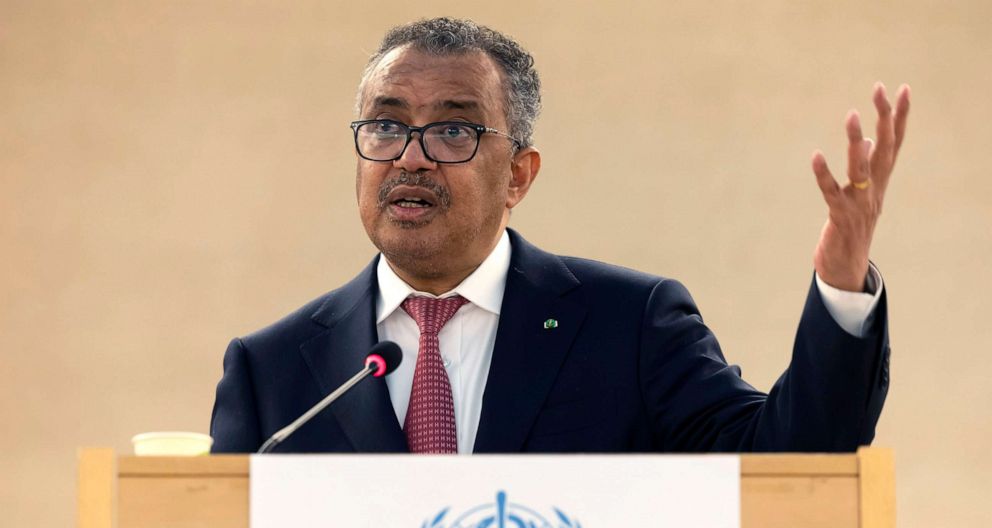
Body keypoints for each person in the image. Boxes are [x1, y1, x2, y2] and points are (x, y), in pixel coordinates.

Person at [210, 17, 910, 454]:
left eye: (453, 128)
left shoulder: (630, 326)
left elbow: (788, 464)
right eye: (386, 126)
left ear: (519, 174)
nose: (410, 156)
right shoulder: (273, 373)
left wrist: (842, 288)